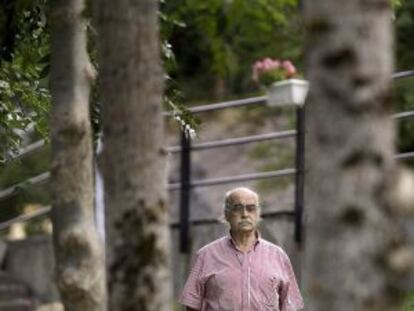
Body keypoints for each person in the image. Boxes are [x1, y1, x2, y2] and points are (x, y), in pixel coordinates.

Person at [179, 187, 304, 311]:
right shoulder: (206, 255)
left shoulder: (278, 256)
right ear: (226, 214)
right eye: (237, 208)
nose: (245, 214)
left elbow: (290, 305)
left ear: (258, 214)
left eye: (251, 208)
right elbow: (192, 304)